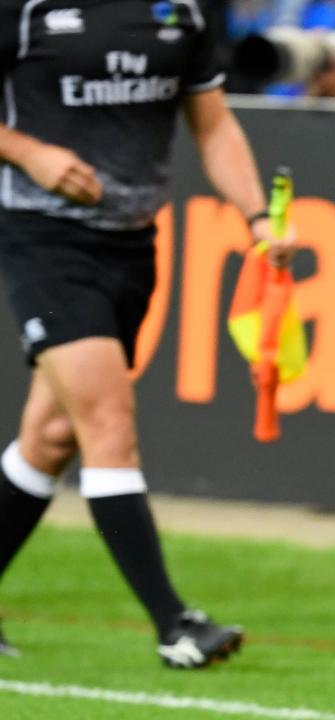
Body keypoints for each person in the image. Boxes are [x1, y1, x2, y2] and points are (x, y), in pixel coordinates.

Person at [0, 0, 293, 666]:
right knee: (109, 423)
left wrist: (256, 219)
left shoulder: (182, 12)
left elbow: (213, 127)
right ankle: (175, 624)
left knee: (50, 437)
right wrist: (27, 152)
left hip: (134, 245)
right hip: (42, 238)